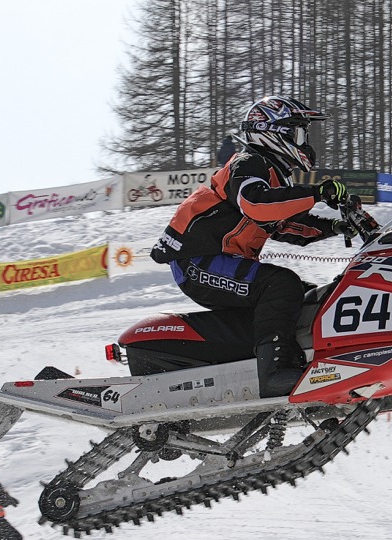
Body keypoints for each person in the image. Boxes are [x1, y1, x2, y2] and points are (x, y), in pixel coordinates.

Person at [151, 95, 354, 397]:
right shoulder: (248, 163)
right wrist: (317, 193)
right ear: (273, 132)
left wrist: (337, 226)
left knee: (305, 294)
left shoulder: (272, 176)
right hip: (197, 261)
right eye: (298, 133)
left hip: (218, 262)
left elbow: (284, 225)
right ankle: (273, 374)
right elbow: (255, 203)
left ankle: (303, 362)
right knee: (280, 285)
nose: (304, 142)